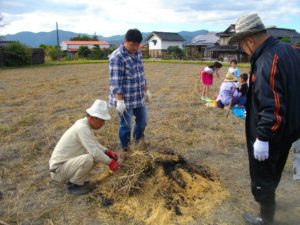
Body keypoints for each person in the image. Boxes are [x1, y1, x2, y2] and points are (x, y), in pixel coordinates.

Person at [228, 13, 300, 224]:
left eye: (242, 44)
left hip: (273, 134)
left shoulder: (269, 61)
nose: (243, 49)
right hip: (290, 129)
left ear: (249, 40)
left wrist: (263, 137)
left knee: (262, 178)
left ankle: (265, 218)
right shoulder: (290, 51)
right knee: (274, 170)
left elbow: (273, 106)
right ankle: (269, 203)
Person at [49, 99, 120, 195]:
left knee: (93, 156)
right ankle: (74, 184)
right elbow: (94, 151)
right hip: (58, 170)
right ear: (92, 118)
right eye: (102, 120)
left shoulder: (85, 125)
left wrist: (107, 151)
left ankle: (78, 179)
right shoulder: (82, 128)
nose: (103, 124)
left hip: (64, 165)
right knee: (89, 158)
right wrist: (110, 162)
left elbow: (93, 143)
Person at [109, 28, 150, 154]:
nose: (135, 47)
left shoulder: (138, 53)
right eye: (132, 44)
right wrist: (120, 101)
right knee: (126, 126)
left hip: (138, 96)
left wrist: (146, 90)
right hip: (125, 99)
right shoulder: (117, 57)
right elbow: (116, 81)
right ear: (125, 41)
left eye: (137, 45)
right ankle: (125, 149)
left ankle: (138, 143)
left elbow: (141, 74)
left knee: (142, 121)